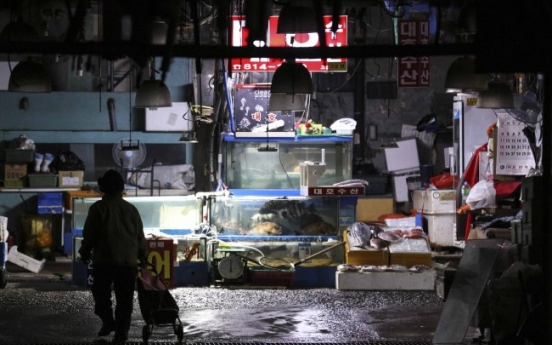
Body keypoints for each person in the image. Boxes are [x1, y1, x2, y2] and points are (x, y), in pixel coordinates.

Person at [79, 169, 147, 343]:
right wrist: (143, 257)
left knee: (101, 294)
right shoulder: (132, 210)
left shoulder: (98, 208)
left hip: (105, 260)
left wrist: (84, 252)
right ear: (121, 188)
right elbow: (140, 236)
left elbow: (90, 235)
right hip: (128, 262)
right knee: (125, 300)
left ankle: (108, 321)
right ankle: (121, 333)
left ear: (103, 188)